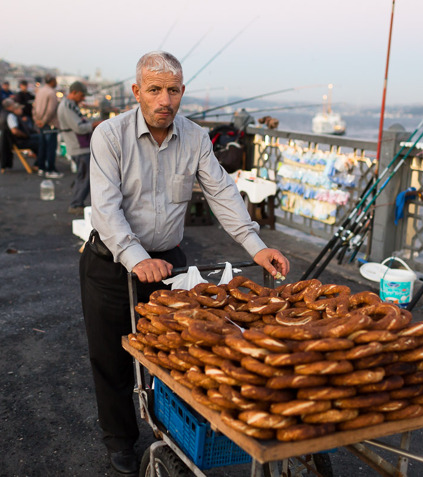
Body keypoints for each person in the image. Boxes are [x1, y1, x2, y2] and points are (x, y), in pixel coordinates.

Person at [80, 51, 289, 475]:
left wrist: (255, 245)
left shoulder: (195, 138)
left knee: (173, 354)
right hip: (111, 261)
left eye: (173, 90)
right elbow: (105, 207)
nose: (164, 100)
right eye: (154, 89)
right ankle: (119, 439)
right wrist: (136, 258)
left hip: (168, 263)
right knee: (112, 358)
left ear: (182, 92)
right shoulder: (110, 135)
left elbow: (222, 194)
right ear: (137, 92)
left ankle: (169, 429)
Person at [57, 81, 101, 215]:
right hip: (78, 147)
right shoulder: (66, 107)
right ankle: (76, 204)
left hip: (80, 146)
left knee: (83, 175)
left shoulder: (70, 105)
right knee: (86, 176)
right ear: (74, 93)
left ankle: (77, 200)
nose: (83, 98)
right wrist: (95, 125)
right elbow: (79, 127)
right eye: (81, 95)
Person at [0, 98, 40, 173]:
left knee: (38, 139)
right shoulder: (10, 115)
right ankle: (39, 164)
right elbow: (15, 131)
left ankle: (39, 163)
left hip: (12, 141)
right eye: (13, 104)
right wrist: (25, 135)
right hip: (18, 141)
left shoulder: (3, 114)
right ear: (10, 106)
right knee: (41, 142)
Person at [32, 74, 62, 178]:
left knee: (42, 146)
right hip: (50, 124)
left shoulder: (40, 91)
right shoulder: (51, 92)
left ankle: (41, 168)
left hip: (40, 123)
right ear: (52, 81)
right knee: (50, 147)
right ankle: (50, 169)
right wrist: (44, 121)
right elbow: (51, 110)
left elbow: (34, 107)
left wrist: (37, 120)